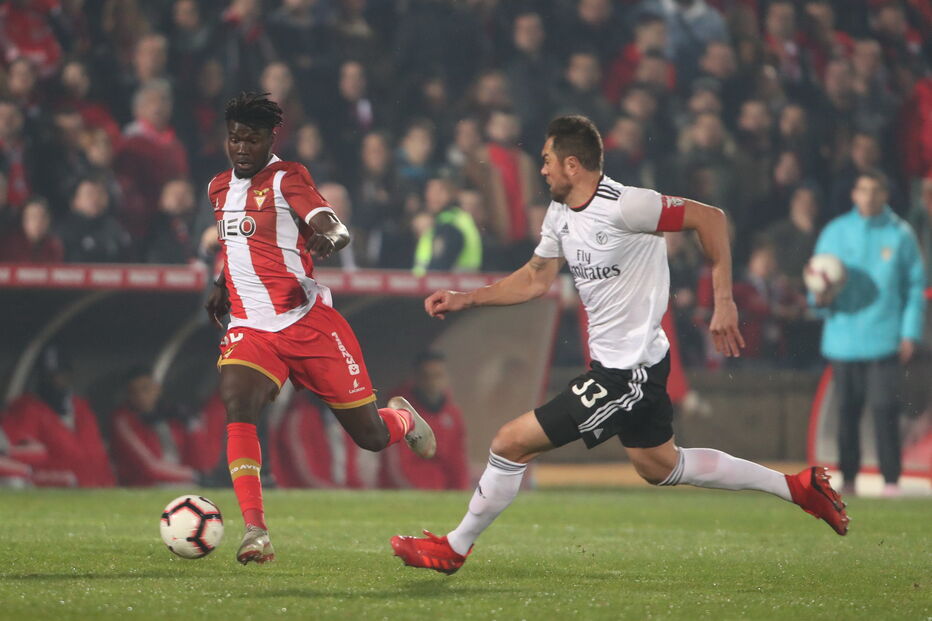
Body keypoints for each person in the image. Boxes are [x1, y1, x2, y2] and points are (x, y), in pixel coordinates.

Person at [391, 115, 849, 575]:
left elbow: (710, 218)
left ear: (573, 164)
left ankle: (455, 546)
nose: (542, 170)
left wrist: (723, 301)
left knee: (510, 442)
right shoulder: (560, 213)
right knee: (660, 465)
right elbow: (535, 277)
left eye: (548, 161)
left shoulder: (628, 205)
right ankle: (799, 488)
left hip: (626, 373)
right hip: (631, 363)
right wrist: (467, 298)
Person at [205, 92, 436, 565]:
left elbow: (330, 223)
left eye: (250, 139)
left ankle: (403, 418)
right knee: (237, 400)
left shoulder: (288, 176)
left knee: (370, 436)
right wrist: (220, 284)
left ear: (271, 138)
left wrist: (331, 236)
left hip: (306, 322)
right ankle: (255, 531)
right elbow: (236, 246)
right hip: (252, 326)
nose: (241, 148)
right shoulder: (217, 188)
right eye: (234, 139)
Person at [812, 171, 926, 496]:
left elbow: (914, 286)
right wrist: (818, 299)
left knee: (884, 408)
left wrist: (909, 333)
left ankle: (891, 480)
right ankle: (848, 479)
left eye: (876, 191)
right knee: (847, 411)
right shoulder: (835, 232)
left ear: (886, 195)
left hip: (884, 337)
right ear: (854, 194)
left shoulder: (900, 235)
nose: (869, 196)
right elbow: (815, 275)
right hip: (843, 337)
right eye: (863, 190)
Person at [379, 351, 469, 490]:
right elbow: (395, 467)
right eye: (426, 376)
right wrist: (417, 494)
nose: (432, 382)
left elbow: (457, 462)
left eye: (437, 376)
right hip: (406, 492)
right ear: (415, 378)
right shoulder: (398, 411)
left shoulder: (453, 415)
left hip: (441, 492)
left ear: (447, 378)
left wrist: (461, 493)